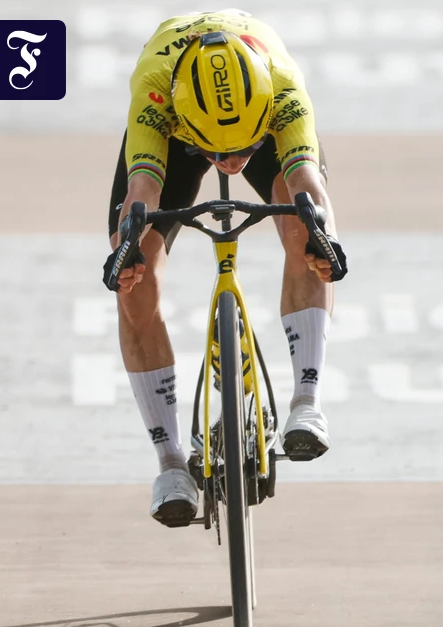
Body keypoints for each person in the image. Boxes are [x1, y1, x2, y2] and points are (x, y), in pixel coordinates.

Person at [103, 9, 346, 527]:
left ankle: (308, 399)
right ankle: (170, 461)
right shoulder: (156, 92)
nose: (232, 162)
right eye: (219, 152)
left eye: (243, 149)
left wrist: (325, 238)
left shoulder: (281, 87)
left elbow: (307, 179)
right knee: (134, 283)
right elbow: (141, 190)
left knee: (308, 232)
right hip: (175, 129)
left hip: (261, 116)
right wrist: (127, 253)